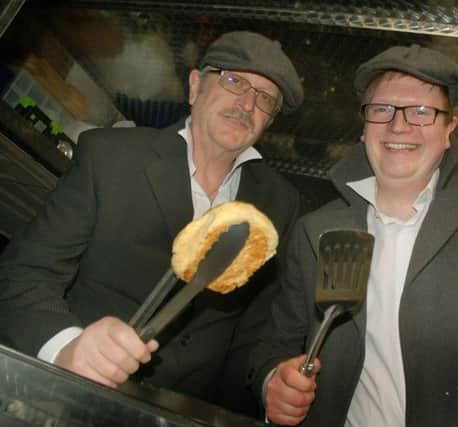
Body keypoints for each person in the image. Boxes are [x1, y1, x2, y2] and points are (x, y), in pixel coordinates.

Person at [248, 44, 458, 426]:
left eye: (422, 112)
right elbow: (273, 346)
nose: (399, 125)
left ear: (448, 130)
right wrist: (273, 381)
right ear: (364, 128)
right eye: (382, 110)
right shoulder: (316, 231)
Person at [0, 31, 303, 417]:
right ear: (195, 86)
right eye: (234, 81)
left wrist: (264, 383)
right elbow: (21, 275)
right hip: (68, 401)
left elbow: (252, 331)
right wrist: (67, 346)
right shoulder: (111, 157)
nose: (247, 103)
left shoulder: (279, 203)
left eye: (265, 99)